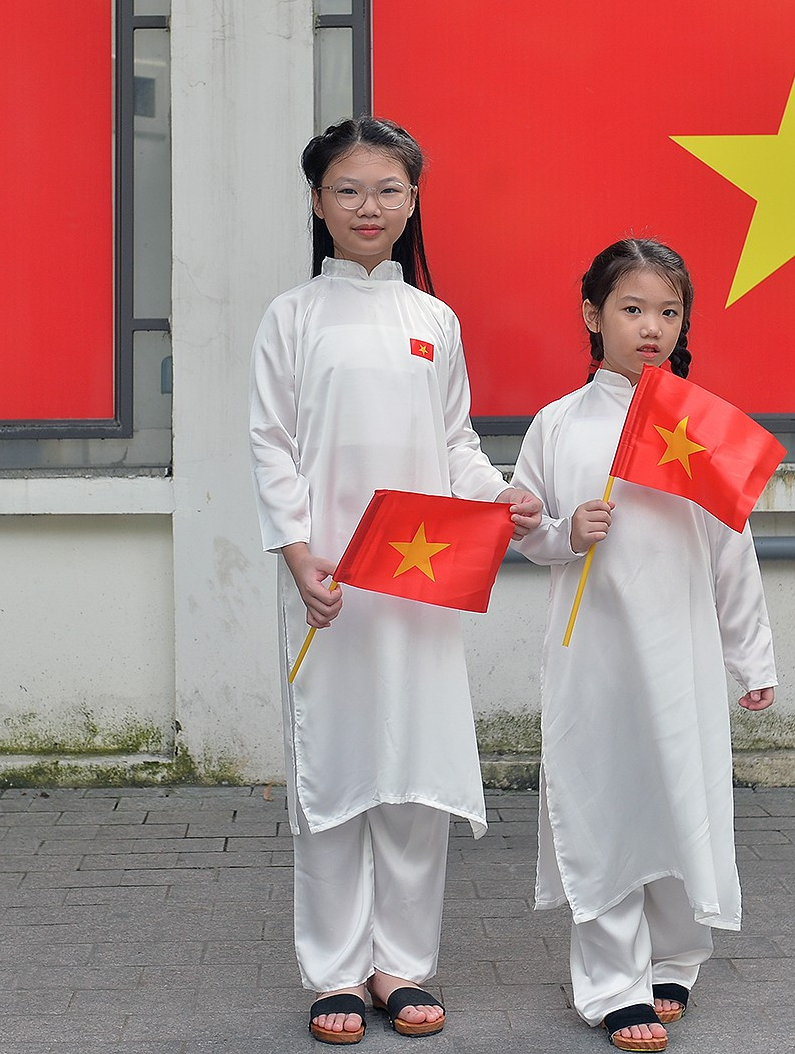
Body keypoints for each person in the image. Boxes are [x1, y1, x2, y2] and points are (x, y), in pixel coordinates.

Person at [249, 117, 542, 1045]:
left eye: (387, 189)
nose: (367, 206)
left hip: (418, 580)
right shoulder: (291, 317)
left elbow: (453, 440)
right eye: (347, 189)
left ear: (413, 200)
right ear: (316, 201)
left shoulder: (433, 320)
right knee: (333, 772)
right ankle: (333, 969)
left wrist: (500, 497)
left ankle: (401, 963)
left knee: (413, 774)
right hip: (330, 582)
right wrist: (301, 559)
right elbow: (272, 446)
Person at [510, 238, 777, 1054]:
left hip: (683, 654)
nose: (651, 327)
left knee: (677, 799)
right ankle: (611, 980)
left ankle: (676, 958)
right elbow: (520, 532)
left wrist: (750, 657)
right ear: (593, 315)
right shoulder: (557, 425)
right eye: (632, 309)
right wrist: (564, 532)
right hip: (595, 655)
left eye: (668, 311)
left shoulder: (699, 424)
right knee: (604, 803)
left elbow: (733, 548)